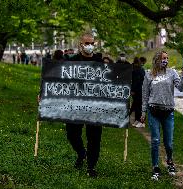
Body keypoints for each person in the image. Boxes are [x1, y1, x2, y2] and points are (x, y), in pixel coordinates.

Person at [140, 51, 183, 181]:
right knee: (155, 141)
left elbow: (181, 88)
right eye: (163, 58)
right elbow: (145, 95)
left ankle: (170, 162)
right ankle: (155, 167)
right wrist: (143, 112)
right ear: (156, 60)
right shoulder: (149, 74)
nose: (166, 60)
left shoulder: (172, 73)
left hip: (168, 112)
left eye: (167, 58)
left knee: (169, 143)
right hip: (153, 111)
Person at [66, 32, 103, 178]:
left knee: (94, 137)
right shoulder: (71, 61)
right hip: (75, 106)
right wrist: (44, 93)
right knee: (72, 134)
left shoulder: (100, 62)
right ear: (80, 44)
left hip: (95, 107)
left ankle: (91, 166)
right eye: (87, 43)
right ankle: (82, 153)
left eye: (92, 43)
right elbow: (57, 80)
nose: (90, 46)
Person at [130, 57, 146, 127]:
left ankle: (140, 121)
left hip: (138, 90)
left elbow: (136, 81)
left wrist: (133, 90)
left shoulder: (136, 70)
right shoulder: (141, 69)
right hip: (141, 89)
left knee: (138, 106)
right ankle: (137, 120)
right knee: (137, 106)